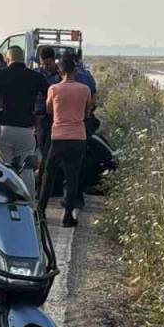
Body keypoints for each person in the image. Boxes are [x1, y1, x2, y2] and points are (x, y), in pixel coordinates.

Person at [0, 45, 49, 195]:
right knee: (26, 168)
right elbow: (51, 94)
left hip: (4, 127)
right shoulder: (35, 76)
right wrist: (39, 112)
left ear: (8, 59)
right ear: (24, 59)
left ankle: (3, 202)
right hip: (26, 128)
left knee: (3, 167)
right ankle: (27, 204)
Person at [41, 55, 93, 227]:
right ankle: (68, 215)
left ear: (60, 71)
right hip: (78, 137)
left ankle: (41, 211)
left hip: (58, 137)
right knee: (72, 177)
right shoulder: (85, 89)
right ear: (75, 70)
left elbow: (49, 109)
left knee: (49, 174)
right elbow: (87, 113)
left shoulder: (54, 89)